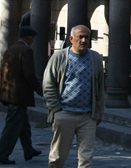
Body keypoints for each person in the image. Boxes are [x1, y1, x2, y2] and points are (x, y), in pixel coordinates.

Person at [43, 25, 106, 168]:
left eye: (87, 37)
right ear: (71, 39)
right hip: (64, 113)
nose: (84, 40)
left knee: (86, 158)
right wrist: (56, 110)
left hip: (87, 115)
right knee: (58, 155)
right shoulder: (59, 57)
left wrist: (99, 112)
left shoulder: (95, 58)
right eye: (80, 37)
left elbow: (100, 88)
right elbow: (48, 84)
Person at [0, 26, 43, 165]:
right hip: (18, 95)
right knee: (12, 127)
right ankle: (1, 154)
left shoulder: (11, 49)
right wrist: (40, 89)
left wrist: (1, 91)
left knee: (23, 124)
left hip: (9, 94)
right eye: (32, 37)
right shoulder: (26, 50)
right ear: (27, 37)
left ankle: (28, 149)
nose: (33, 40)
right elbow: (29, 74)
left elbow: (2, 71)